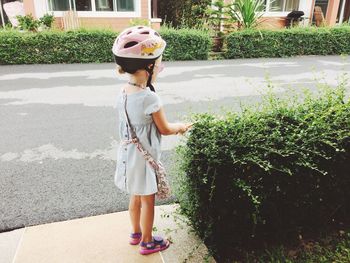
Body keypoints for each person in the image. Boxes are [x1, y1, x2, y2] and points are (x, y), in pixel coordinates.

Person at [112, 25, 192, 255]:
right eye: (159, 63)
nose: (160, 67)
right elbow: (165, 129)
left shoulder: (123, 92)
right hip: (145, 160)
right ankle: (147, 241)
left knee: (134, 196)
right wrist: (181, 127)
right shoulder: (149, 98)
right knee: (148, 200)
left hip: (128, 155)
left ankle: (135, 232)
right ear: (148, 66)